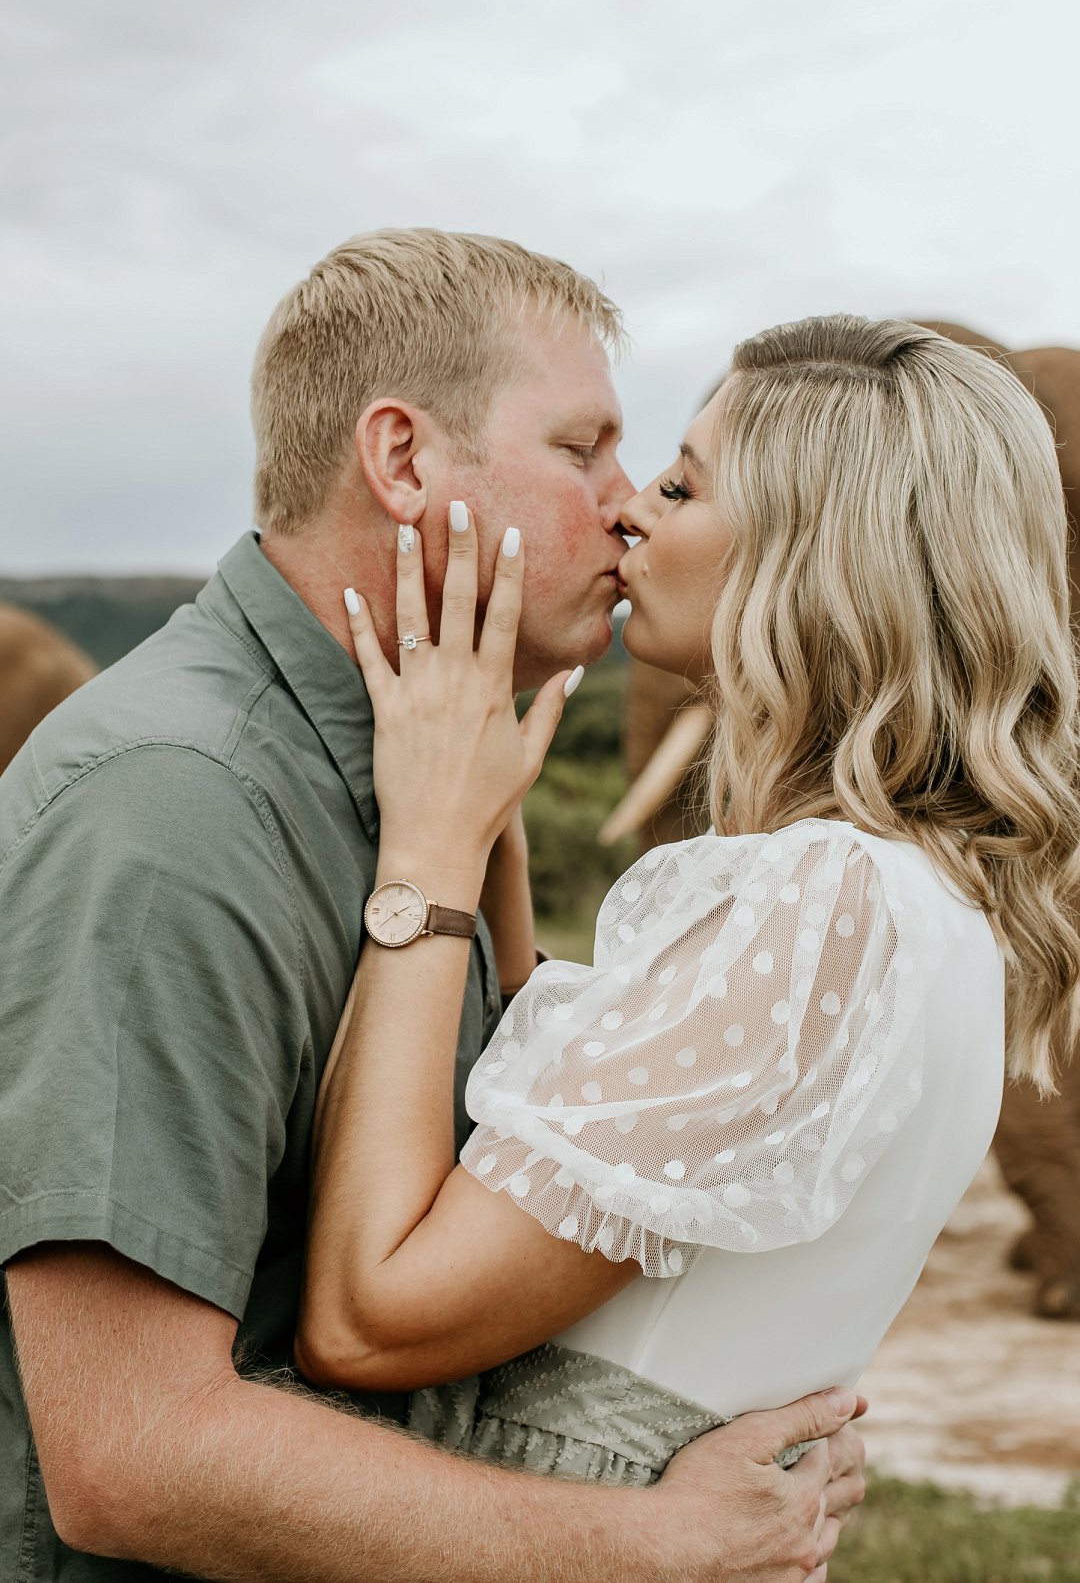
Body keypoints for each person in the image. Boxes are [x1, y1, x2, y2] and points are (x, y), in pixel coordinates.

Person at [0, 232, 865, 1583]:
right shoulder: (174, 815)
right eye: (582, 449)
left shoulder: (416, 783)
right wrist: (648, 1544)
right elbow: (131, 1451)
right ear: (402, 461)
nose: (627, 506)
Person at [297, 315, 1080, 1481]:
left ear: (814, 551)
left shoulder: (824, 898)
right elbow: (579, 1145)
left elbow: (372, 1320)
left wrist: (427, 859)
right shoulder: (920, 893)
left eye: (680, 484)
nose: (628, 511)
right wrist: (494, 836)